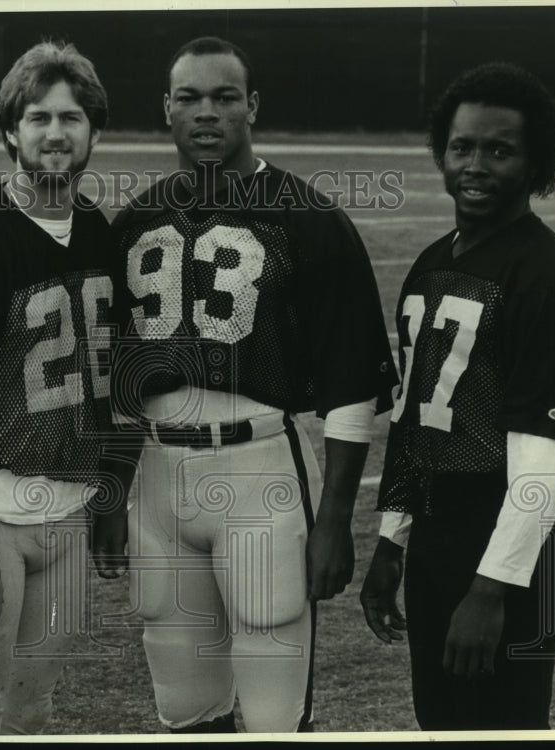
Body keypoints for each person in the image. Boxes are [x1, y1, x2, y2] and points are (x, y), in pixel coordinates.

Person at [97, 36, 397, 733]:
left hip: (262, 470)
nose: (207, 114)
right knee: (183, 701)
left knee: (272, 712)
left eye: (225, 97)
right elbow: (115, 373)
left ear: (252, 106)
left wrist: (335, 522)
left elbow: (352, 384)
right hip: (160, 480)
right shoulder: (136, 220)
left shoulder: (309, 217)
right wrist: (113, 489)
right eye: (190, 98)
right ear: (165, 109)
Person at [359, 62, 555, 730]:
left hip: (516, 521)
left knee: (503, 718)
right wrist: (392, 540)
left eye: (499, 150)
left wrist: (495, 589)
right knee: (442, 715)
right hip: (443, 514)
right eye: (463, 146)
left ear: (535, 162)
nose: (475, 164)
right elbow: (417, 418)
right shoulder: (437, 258)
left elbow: (547, 455)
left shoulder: (547, 278)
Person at [0, 41, 114, 735]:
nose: (55, 133)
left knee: (33, 710)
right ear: (10, 130)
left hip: (68, 512)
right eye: (38, 117)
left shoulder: (99, 232)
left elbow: (105, 379)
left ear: (95, 131)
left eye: (71, 116)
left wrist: (108, 497)